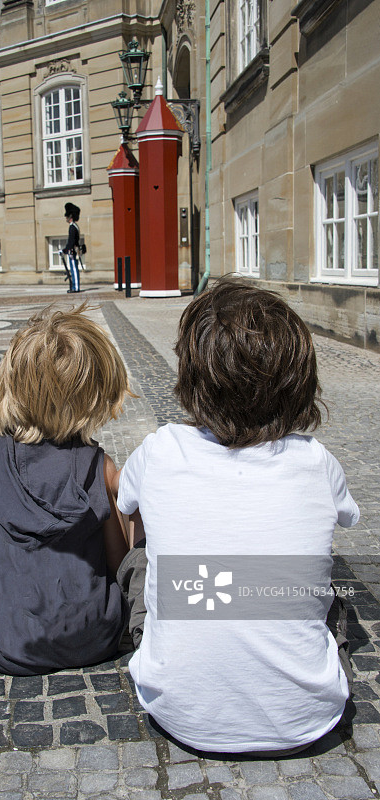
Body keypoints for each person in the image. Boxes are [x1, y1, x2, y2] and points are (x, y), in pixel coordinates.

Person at [114, 278, 359, 755]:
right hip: (309, 717)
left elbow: (125, 509)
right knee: (326, 588)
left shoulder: (161, 449)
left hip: (178, 712)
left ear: (190, 377)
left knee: (144, 555)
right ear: (300, 381)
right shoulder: (316, 460)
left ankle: (172, 644)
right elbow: (346, 519)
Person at [0, 304, 130, 675]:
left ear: (10, 384)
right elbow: (118, 560)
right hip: (97, 638)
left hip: (6, 648)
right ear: (96, 393)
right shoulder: (99, 465)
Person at [61, 202, 81, 293]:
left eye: (67, 216)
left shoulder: (72, 227)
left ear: (70, 217)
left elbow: (71, 241)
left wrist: (65, 250)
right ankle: (74, 286)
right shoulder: (73, 226)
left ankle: (76, 287)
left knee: (74, 270)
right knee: (73, 269)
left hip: (72, 251)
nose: (66, 218)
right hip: (72, 250)